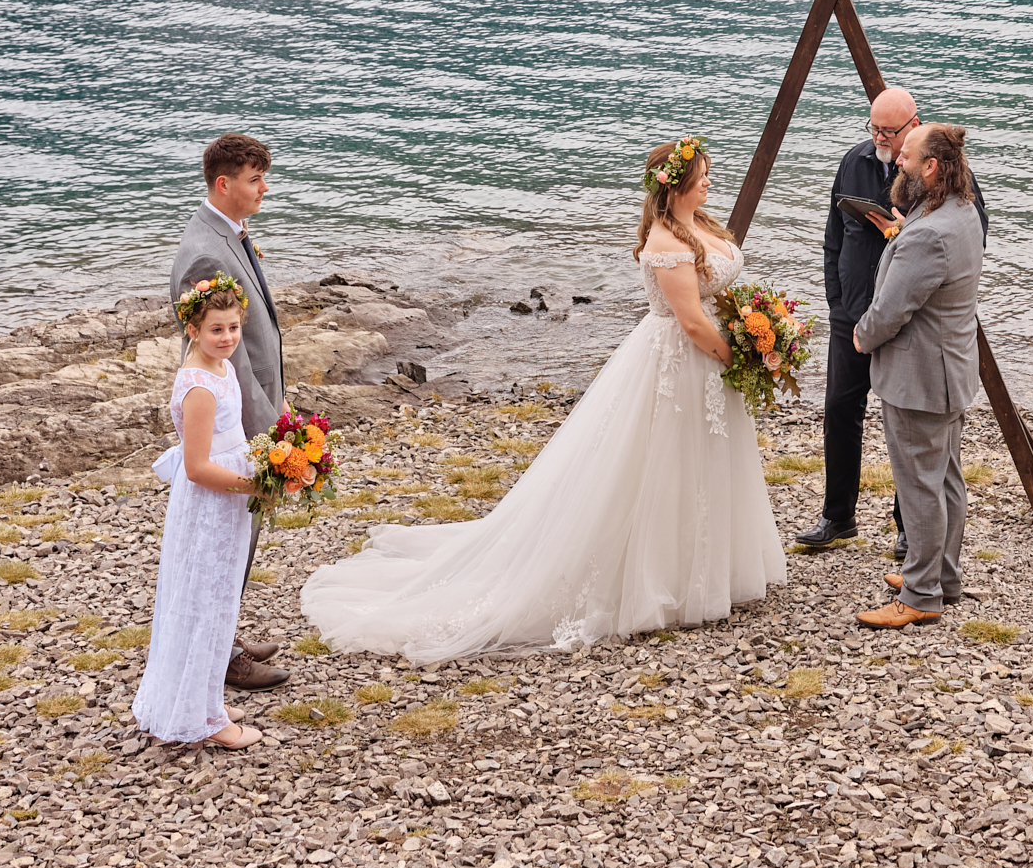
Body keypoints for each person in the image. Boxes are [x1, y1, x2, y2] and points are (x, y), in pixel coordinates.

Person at [299, 137, 787, 658]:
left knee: (702, 458)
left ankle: (709, 567)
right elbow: (691, 321)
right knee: (664, 461)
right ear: (677, 185)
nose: (710, 181)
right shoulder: (667, 241)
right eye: (703, 176)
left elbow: (714, 298)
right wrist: (737, 358)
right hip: (684, 360)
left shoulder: (702, 226)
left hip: (705, 360)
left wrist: (759, 327)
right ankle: (660, 581)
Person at [800, 89, 989, 557]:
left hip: (905, 324)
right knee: (841, 411)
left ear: (913, 125)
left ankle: (911, 527)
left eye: (890, 132)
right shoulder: (855, 162)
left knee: (908, 431)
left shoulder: (943, 172)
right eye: (874, 129)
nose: (881, 140)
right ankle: (837, 514)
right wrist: (837, 300)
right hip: (854, 313)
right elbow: (832, 238)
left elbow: (971, 232)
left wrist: (909, 234)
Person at [849, 124, 985, 630]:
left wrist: (861, 336)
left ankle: (922, 593)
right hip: (949, 370)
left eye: (906, 156)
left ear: (931, 167)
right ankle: (941, 576)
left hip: (919, 377)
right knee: (945, 477)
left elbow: (890, 310)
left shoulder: (929, 233)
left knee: (919, 486)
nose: (897, 163)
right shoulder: (960, 212)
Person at [170, 132, 289, 692]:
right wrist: (267, 429)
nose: (264, 188)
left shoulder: (231, 235)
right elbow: (224, 352)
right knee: (223, 545)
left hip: (257, 406)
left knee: (237, 541)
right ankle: (220, 655)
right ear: (225, 184)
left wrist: (282, 400)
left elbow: (252, 335)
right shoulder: (205, 252)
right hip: (232, 424)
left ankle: (225, 637)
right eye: (255, 179)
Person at [132, 275, 263, 750]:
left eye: (233, 327)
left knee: (219, 600)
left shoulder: (223, 369)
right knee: (204, 603)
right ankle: (206, 720)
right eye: (216, 330)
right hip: (211, 504)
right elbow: (197, 466)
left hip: (226, 501)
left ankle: (202, 699)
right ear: (193, 330)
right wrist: (258, 485)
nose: (227, 337)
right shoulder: (200, 388)